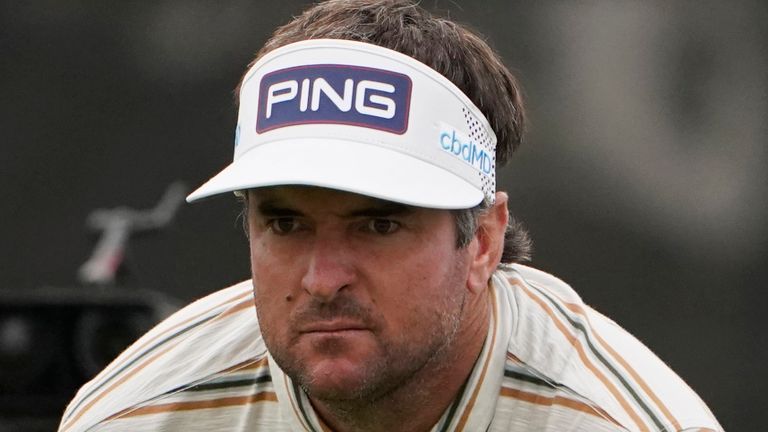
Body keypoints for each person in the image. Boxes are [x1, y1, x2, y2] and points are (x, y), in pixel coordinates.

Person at [59, 1, 723, 431]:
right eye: (285, 223)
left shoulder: (622, 421)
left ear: (484, 243)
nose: (322, 279)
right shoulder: (134, 416)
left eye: (378, 224)